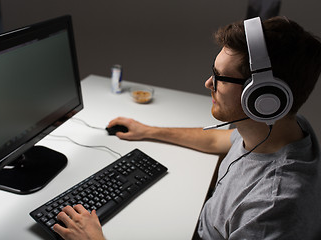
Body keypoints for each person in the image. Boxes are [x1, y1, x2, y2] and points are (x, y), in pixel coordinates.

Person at [53, 16, 321, 240]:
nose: (208, 83)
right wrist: (149, 130)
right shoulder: (281, 129)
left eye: (220, 77)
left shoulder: (272, 208)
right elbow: (221, 141)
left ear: (264, 99)